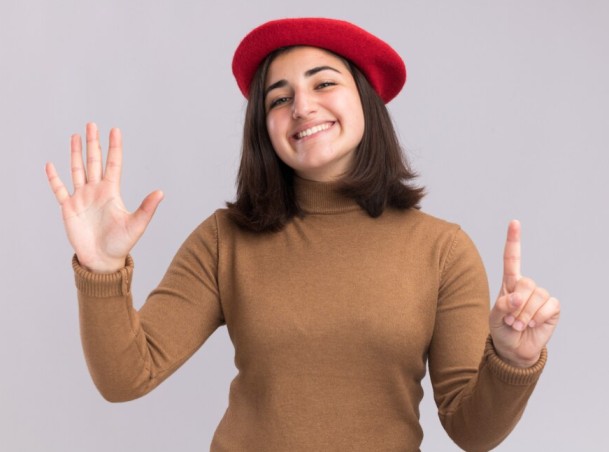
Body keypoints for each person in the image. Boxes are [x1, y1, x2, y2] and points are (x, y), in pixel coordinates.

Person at [45, 17, 560, 451]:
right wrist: (102, 270)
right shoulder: (225, 240)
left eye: (324, 83)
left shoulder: (442, 251)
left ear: (365, 100)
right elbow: (126, 377)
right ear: (264, 127)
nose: (302, 107)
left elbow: (471, 431)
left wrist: (512, 360)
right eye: (279, 98)